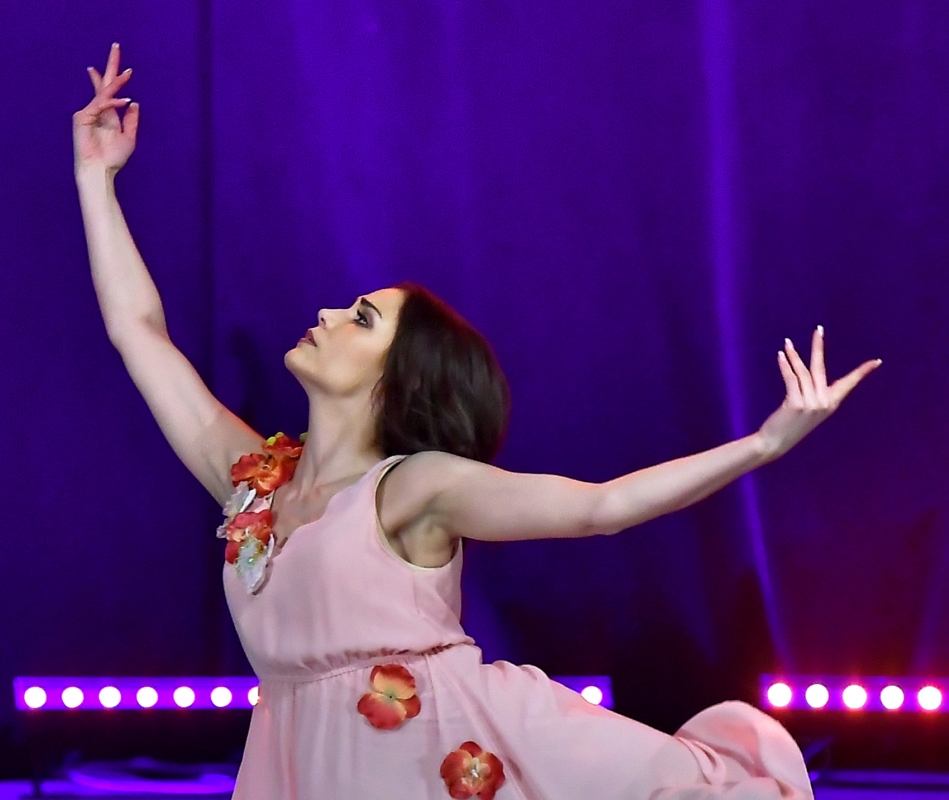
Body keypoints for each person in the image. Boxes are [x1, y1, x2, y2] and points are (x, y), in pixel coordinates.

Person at [73, 44, 880, 800]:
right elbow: (138, 333)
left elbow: (599, 508)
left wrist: (764, 443)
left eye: (361, 318)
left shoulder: (414, 488)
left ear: (399, 377)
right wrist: (96, 179)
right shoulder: (253, 481)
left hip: (428, 757)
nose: (327, 314)